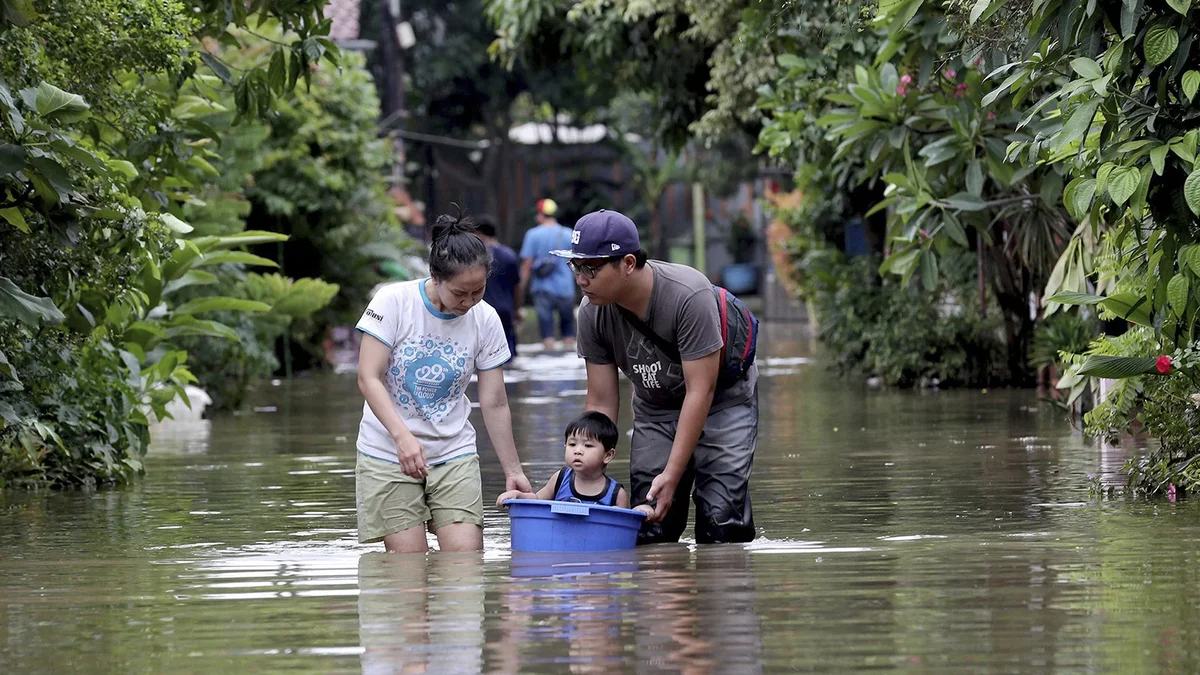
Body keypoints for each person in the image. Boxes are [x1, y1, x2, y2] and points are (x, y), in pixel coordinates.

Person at [550, 209, 758, 545]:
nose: (581, 279)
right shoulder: (591, 313)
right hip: (654, 406)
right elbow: (601, 401)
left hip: (722, 401)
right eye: (576, 266)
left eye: (591, 268)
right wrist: (583, 469)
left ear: (628, 263)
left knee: (721, 524)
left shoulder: (687, 296)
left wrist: (673, 474)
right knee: (648, 523)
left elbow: (700, 392)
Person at [354, 211, 533, 554]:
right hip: (387, 450)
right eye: (459, 293)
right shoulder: (393, 303)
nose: (468, 302)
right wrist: (402, 437)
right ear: (435, 276)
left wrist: (513, 470)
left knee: (465, 563)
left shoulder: (486, 318)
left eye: (477, 291)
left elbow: (494, 401)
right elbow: (368, 377)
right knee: (408, 572)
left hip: (453, 451)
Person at [496, 411, 652, 513]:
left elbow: (622, 526)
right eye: (572, 444)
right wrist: (518, 496)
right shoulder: (561, 478)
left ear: (608, 455)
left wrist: (640, 511)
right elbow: (537, 501)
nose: (578, 450)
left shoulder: (615, 493)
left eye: (588, 445)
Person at [519, 198, 577, 352]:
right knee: (569, 332)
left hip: (542, 289)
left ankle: (549, 352)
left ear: (540, 214)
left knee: (547, 333)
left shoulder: (532, 235)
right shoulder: (568, 233)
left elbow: (526, 265)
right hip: (566, 288)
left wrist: (520, 287)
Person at [474, 214, 521, 363]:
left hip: (483, 310)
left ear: (479, 233)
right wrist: (517, 309)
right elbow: (517, 286)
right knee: (508, 353)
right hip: (506, 310)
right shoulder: (509, 255)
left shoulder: (475, 257)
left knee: (483, 355)